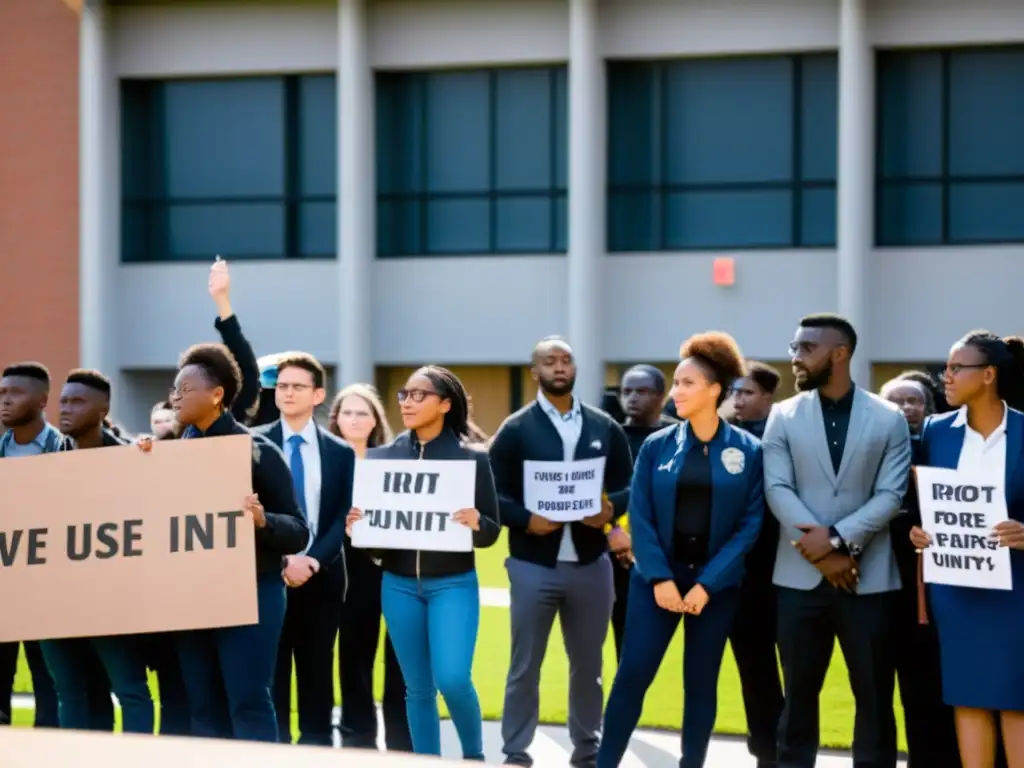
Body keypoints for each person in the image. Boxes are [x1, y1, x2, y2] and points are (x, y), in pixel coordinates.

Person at [597, 333, 764, 768]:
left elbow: (750, 526)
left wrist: (707, 585)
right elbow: (642, 514)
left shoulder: (748, 451)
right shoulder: (657, 445)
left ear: (714, 390)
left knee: (701, 683)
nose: (676, 392)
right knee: (632, 675)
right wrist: (660, 578)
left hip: (715, 589)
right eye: (675, 383)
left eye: (687, 384)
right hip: (656, 584)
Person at [764, 313, 911, 768]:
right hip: (797, 581)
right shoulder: (781, 416)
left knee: (873, 697)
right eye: (794, 347)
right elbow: (778, 489)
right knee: (798, 698)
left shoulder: (889, 418)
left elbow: (892, 494)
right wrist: (824, 555)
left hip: (869, 580)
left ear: (840, 353)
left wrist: (840, 543)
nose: (796, 356)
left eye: (806, 348)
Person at [489, 337, 633, 768]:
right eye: (549, 361)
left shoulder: (603, 425)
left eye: (566, 360)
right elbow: (494, 495)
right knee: (524, 664)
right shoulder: (515, 429)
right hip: (534, 564)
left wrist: (611, 510)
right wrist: (525, 518)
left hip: (591, 564)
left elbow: (629, 484)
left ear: (575, 369)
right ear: (534, 372)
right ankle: (516, 751)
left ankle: (588, 750)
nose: (559, 367)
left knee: (588, 667)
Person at [155, 343, 308, 742]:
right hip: (192, 598)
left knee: (248, 701)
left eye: (184, 390)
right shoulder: (166, 454)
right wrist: (140, 464)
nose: (175, 397)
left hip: (253, 594)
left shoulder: (258, 452)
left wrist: (262, 521)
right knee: (202, 706)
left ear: (217, 394)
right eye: (174, 390)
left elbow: (298, 529)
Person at [345, 366, 500, 760]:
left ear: (445, 404)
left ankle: (474, 756)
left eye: (419, 395)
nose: (408, 403)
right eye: (404, 395)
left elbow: (491, 533)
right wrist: (360, 531)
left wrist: (478, 521)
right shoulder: (384, 458)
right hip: (397, 585)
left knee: (452, 679)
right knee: (417, 688)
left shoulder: (471, 460)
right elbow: (376, 544)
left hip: (452, 584)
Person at [910, 331, 1024, 767]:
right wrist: (918, 532)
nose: (947, 377)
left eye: (957, 368)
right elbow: (924, 505)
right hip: (956, 589)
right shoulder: (937, 432)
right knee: (967, 697)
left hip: (1016, 591)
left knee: (1016, 700)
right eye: (947, 368)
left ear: (989, 374)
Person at [38, 370, 155, 734]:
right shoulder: (42, 466)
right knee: (70, 692)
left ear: (104, 408)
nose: (66, 409)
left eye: (77, 401)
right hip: (57, 601)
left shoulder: (133, 460)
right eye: (63, 402)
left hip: (112, 602)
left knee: (129, 689)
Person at [0, 362, 112, 732]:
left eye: (14, 393)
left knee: (50, 682)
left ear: (41, 400)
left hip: (49, 589)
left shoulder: (63, 450)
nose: (4, 400)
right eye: (2, 393)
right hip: (5, 584)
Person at [255, 353, 354, 746]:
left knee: (316, 677)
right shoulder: (253, 443)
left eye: (297, 386)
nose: (288, 393)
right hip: (268, 576)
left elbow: (341, 516)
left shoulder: (340, 452)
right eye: (281, 386)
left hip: (323, 577)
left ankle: (316, 750)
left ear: (318, 395)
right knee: (271, 676)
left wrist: (311, 560)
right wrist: (283, 560)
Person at [878, 376, 960, 767]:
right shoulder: (871, 454)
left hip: (933, 591)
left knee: (932, 685)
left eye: (914, 401)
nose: (907, 408)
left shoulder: (944, 452)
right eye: (896, 401)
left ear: (928, 409)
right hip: (879, 587)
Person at [329, 384, 411, 752]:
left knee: (401, 658)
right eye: (347, 412)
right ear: (336, 419)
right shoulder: (329, 461)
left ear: (376, 419)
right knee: (354, 654)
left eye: (362, 412)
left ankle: (401, 739)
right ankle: (357, 736)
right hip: (348, 570)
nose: (354, 419)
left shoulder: (395, 461)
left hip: (393, 567)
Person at [722, 360, 785, 768]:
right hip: (742, 578)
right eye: (733, 392)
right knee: (754, 670)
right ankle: (764, 749)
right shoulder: (722, 439)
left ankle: (792, 747)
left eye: (745, 392)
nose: (737, 400)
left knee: (799, 670)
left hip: (788, 570)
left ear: (767, 396)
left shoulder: (784, 439)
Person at [611, 364, 677, 657]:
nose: (632, 397)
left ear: (662, 396)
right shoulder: (610, 436)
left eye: (642, 391)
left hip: (671, 555)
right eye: (626, 391)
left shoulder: (680, 438)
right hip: (617, 556)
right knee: (625, 645)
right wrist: (614, 532)